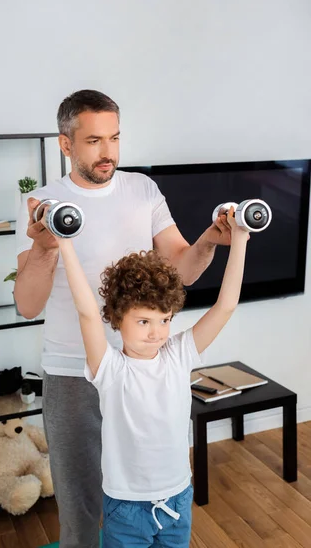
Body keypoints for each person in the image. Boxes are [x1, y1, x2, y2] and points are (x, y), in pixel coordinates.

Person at [14, 89, 232, 548]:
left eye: (114, 138)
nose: (108, 152)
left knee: (136, 497)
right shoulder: (45, 205)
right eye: (94, 141)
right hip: (74, 373)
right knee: (80, 509)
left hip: (139, 370)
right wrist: (42, 248)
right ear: (66, 144)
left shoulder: (142, 190)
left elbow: (181, 268)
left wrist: (211, 239)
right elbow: (28, 305)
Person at [52, 205, 248, 547]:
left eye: (164, 320)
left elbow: (226, 305)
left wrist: (241, 236)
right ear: (116, 317)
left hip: (177, 498)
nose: (157, 332)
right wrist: (64, 242)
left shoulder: (178, 354)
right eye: (144, 321)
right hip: (126, 507)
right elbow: (85, 311)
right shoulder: (110, 368)